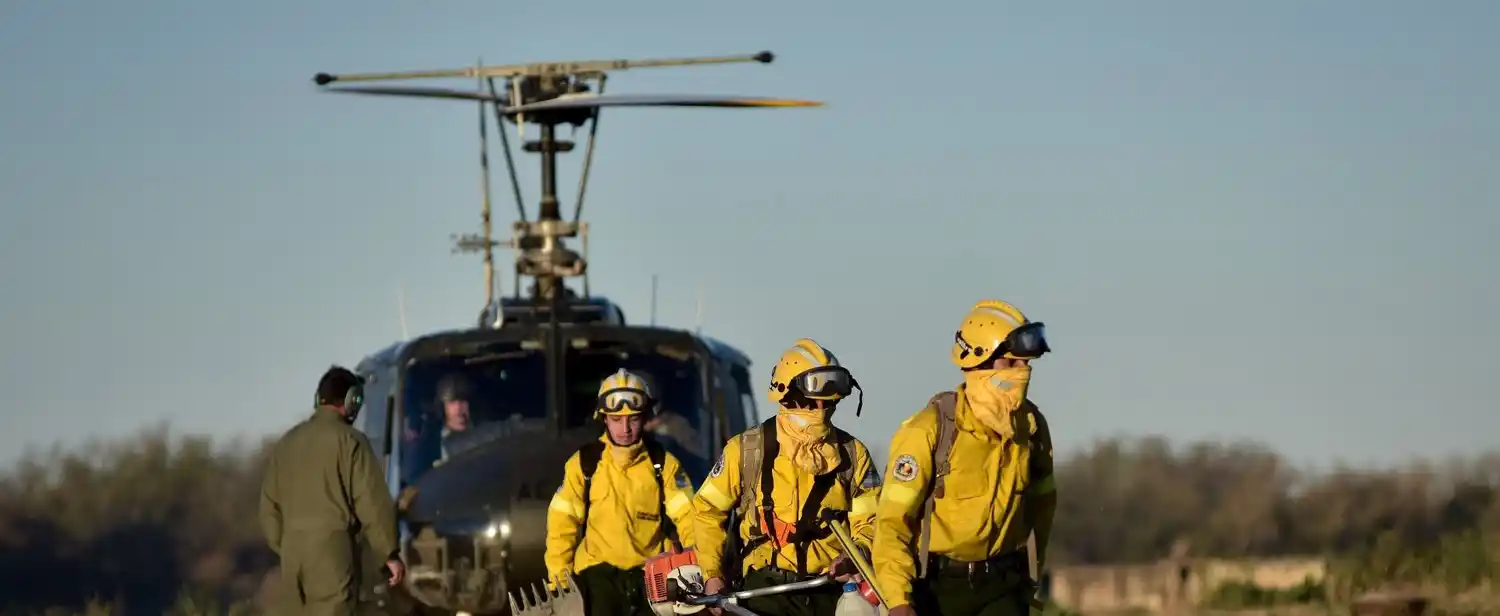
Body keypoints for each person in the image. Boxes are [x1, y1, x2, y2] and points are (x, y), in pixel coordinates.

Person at [871, 300, 1057, 616]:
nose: (1023, 372)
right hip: (936, 588)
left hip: (1004, 587)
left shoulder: (1032, 427)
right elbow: (892, 525)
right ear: (980, 363)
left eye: (1026, 364)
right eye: (1011, 364)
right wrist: (899, 601)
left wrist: (1030, 578)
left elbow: (1042, 510)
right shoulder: (928, 430)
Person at [693, 339, 882, 616]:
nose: (823, 406)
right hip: (763, 593)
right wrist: (712, 575)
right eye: (814, 398)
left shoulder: (854, 455)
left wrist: (857, 554)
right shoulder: (746, 451)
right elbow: (707, 512)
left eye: (831, 399)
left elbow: (872, 521)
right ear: (787, 394)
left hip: (831, 593)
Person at [545, 369, 698, 616]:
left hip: (652, 579)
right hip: (597, 579)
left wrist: (697, 567)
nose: (625, 428)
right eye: (616, 419)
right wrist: (560, 581)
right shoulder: (584, 464)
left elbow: (690, 518)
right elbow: (562, 524)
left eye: (633, 419)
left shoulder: (664, 464)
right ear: (603, 418)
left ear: (646, 417)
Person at [259, 365, 405, 616]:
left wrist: (289, 546)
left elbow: (268, 510)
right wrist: (389, 553)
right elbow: (372, 503)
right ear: (351, 401)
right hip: (331, 554)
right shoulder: (351, 441)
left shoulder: (286, 443)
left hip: (293, 557)